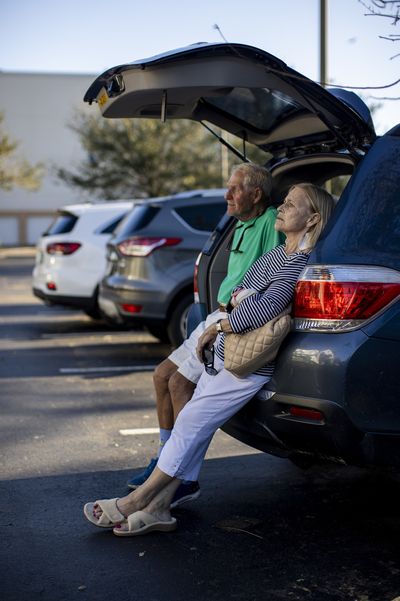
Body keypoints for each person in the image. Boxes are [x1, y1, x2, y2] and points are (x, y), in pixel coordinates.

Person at [84, 182, 335, 536]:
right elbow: (239, 293)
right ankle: (158, 509)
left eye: (292, 204)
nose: (282, 206)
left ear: (311, 220)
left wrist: (224, 322)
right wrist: (240, 302)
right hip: (226, 353)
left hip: (246, 364)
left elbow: (265, 307)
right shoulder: (280, 255)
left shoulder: (297, 262)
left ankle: (134, 502)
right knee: (194, 427)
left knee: (189, 426)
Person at [126, 162, 284, 505]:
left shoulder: (270, 221)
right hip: (217, 314)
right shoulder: (240, 224)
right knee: (161, 376)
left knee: (179, 384)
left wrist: (233, 319)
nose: (227, 195)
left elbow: (276, 276)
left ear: (256, 194)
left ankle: (184, 477)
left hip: (235, 318)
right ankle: (165, 461)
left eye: (235, 189)